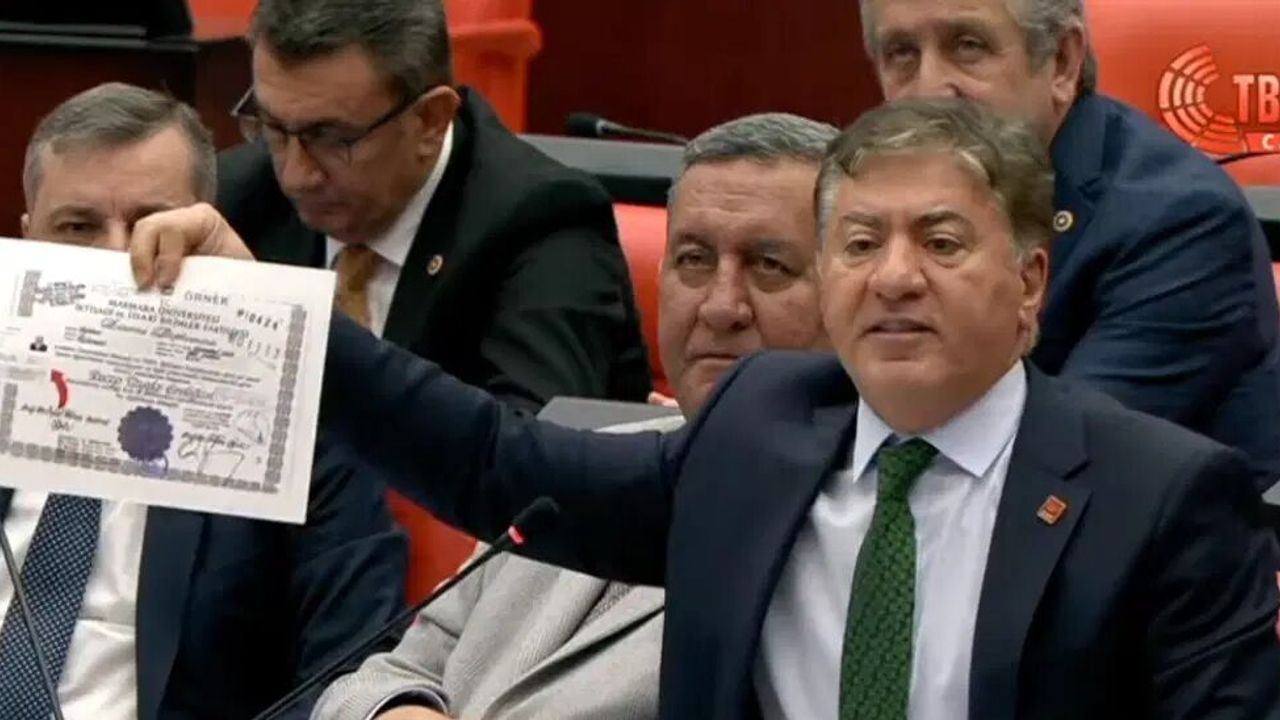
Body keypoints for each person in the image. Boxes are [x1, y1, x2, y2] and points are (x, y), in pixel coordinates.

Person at [136, 97, 1280, 719]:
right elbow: (495, 462)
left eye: (939, 243)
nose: (892, 278)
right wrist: (278, 317)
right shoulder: (764, 430)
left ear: (1028, 286)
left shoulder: (1157, 496)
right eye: (858, 244)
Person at [311, 113, 837, 720]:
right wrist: (396, 710)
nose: (720, 306)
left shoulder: (841, 520)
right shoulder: (580, 457)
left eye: (769, 266)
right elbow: (383, 675)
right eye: (694, 260)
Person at [9, 82, 407, 720]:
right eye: (78, 228)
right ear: (28, 240)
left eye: (153, 227)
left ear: (208, 234)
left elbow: (352, 674)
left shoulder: (302, 434)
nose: (119, 260)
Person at [856, 0, 1280, 488]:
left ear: (1061, 62)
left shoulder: (1184, 223)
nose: (929, 90)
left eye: (967, 46)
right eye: (902, 54)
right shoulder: (864, 199)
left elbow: (1059, 462)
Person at [217, 0, 650, 412]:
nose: (296, 175)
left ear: (430, 120)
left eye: (332, 138)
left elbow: (529, 447)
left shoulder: (544, 223)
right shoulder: (235, 198)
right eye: (273, 127)